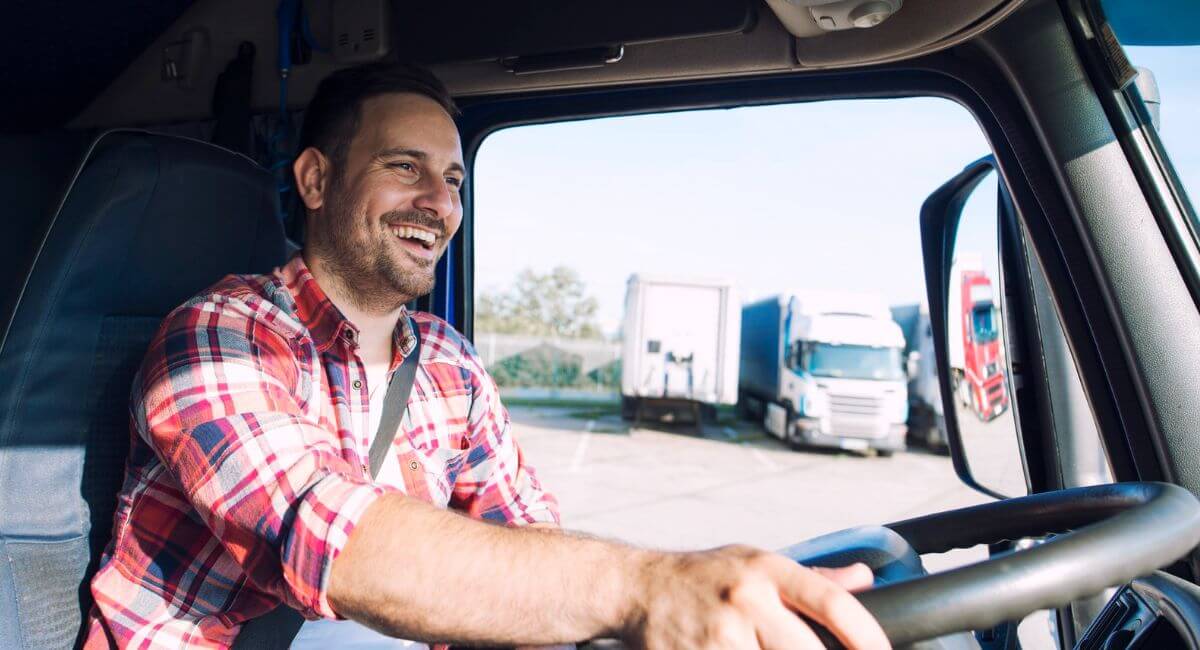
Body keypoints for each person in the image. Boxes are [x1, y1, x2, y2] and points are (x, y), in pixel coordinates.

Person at [84, 62, 889, 650]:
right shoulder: (217, 334)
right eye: (406, 168)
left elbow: (523, 535)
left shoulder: (447, 363)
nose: (439, 204)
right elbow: (323, 535)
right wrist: (644, 586)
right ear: (318, 179)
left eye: (455, 180)